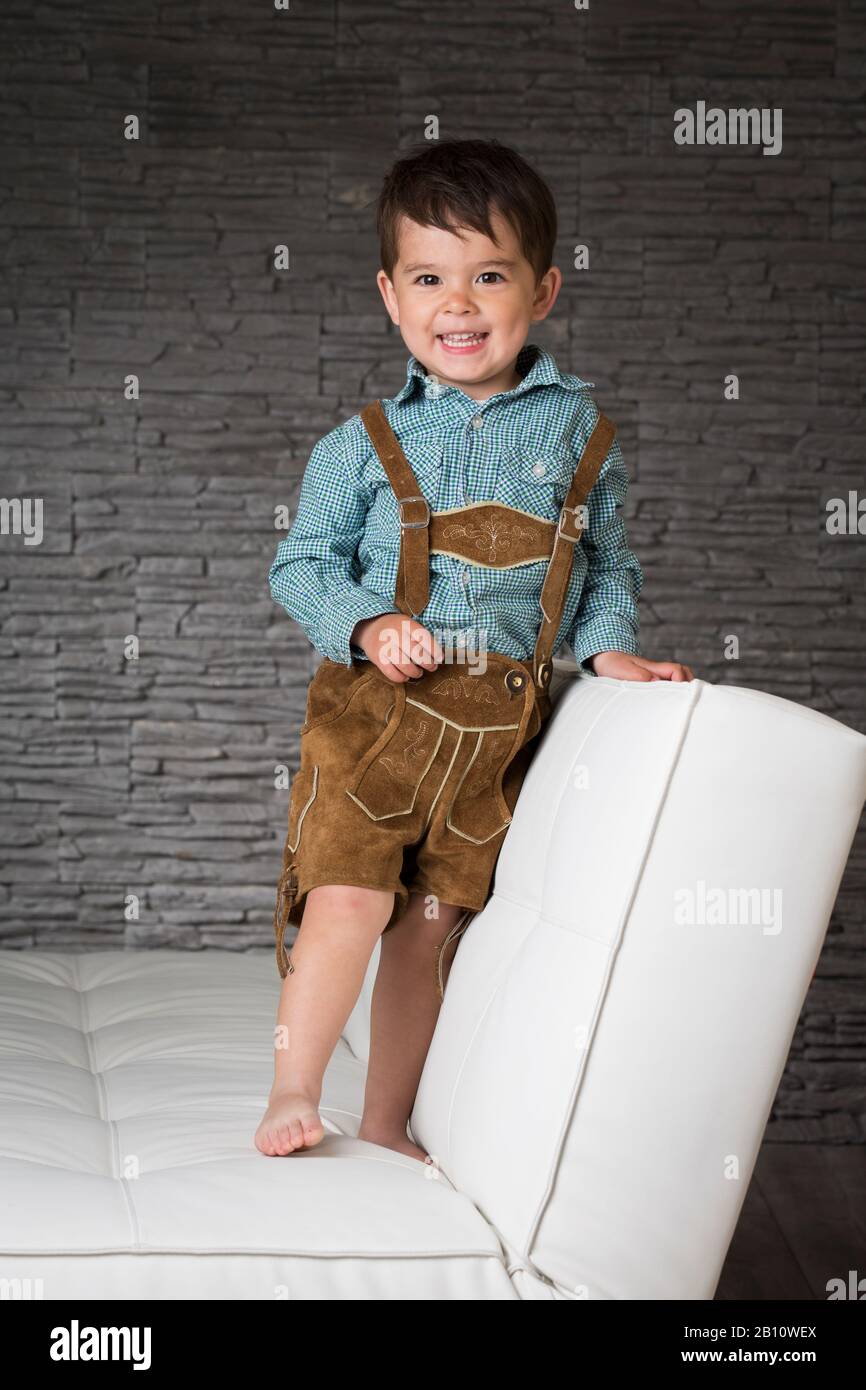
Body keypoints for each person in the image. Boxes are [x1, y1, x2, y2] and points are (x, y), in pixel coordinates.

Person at [255, 138, 694, 1164]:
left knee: (432, 924)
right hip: (375, 726)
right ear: (389, 297)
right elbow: (299, 566)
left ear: (539, 289)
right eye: (428, 278)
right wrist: (367, 622)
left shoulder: (584, 435)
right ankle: (293, 1081)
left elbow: (603, 570)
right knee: (350, 895)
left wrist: (607, 653)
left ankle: (386, 1117)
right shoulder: (359, 443)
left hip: (495, 737)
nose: (458, 304)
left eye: (487, 275)